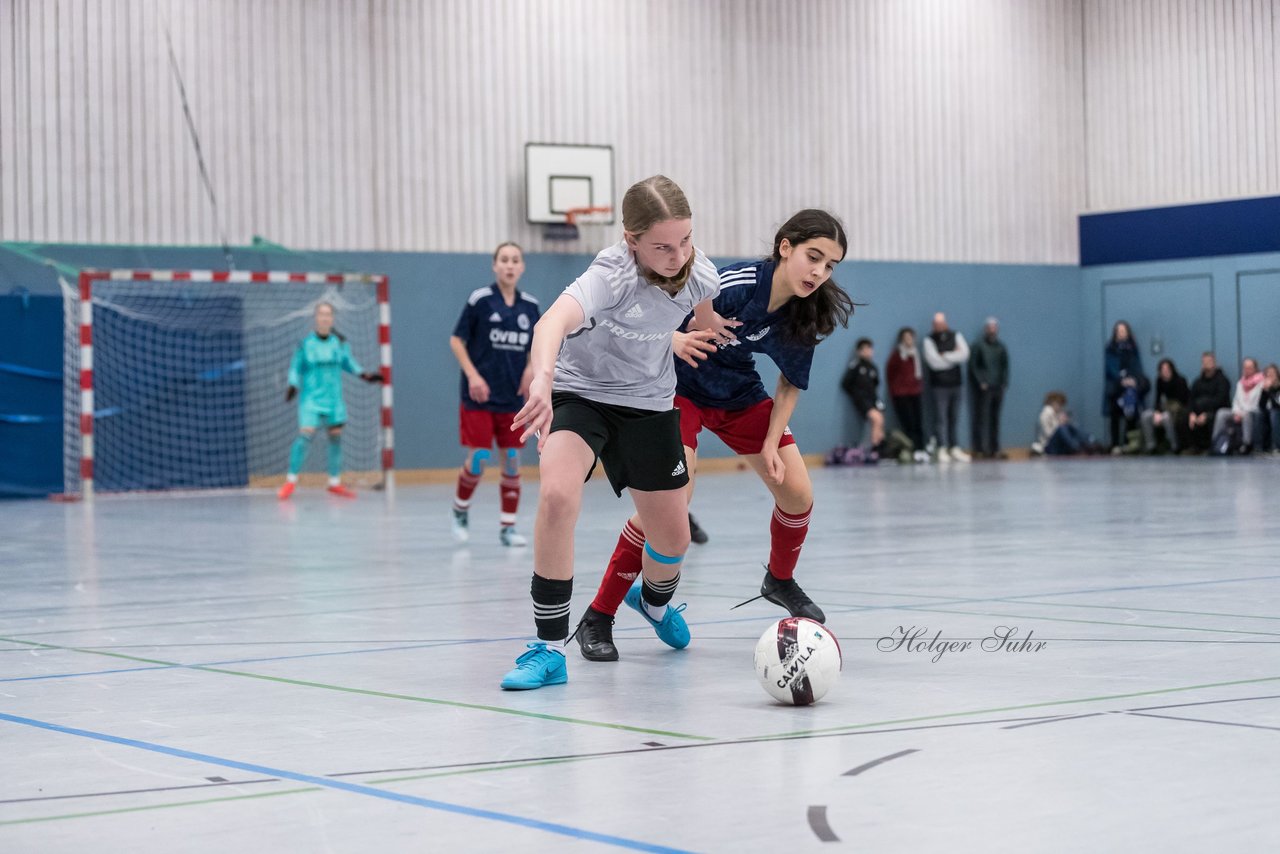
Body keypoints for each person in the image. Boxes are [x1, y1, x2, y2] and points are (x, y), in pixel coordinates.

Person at [574, 209, 853, 663]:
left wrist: (768, 442)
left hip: (737, 392)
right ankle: (599, 614)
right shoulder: (736, 285)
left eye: (831, 265)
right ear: (786, 247)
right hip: (676, 387)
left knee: (797, 492)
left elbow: (790, 383)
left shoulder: (806, 310)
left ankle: (779, 580)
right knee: (671, 504)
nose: (819, 272)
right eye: (813, 257)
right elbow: (653, 319)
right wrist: (674, 340)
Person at [500, 175, 735, 690]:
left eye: (686, 240)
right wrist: (541, 379)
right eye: (662, 247)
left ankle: (651, 602)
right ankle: (547, 649)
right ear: (631, 241)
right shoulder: (611, 274)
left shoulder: (701, 275)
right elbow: (551, 323)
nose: (678, 255)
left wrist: (690, 332)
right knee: (559, 498)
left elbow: (698, 309)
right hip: (580, 393)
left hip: (649, 402)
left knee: (672, 537)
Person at [448, 242, 541, 546]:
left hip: (513, 398)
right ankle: (460, 510)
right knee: (479, 459)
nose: (510, 265)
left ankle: (508, 528)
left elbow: (536, 347)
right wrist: (473, 375)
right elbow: (457, 341)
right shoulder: (480, 301)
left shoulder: (530, 306)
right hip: (479, 397)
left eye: (515, 260)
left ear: (523, 266)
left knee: (512, 460)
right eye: (504, 260)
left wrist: (530, 369)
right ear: (495, 265)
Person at [277, 302, 383, 500]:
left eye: (328, 315)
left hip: (334, 400)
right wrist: (292, 384)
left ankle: (334, 483)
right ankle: (290, 480)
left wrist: (364, 375)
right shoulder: (305, 344)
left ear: (333, 319)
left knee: (336, 437)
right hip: (310, 399)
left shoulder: (339, 343)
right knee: (305, 435)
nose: (325, 318)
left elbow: (349, 363)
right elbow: (295, 367)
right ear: (316, 318)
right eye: (321, 314)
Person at [922, 312, 970, 461]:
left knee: (954, 417)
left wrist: (945, 355)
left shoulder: (956, 335)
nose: (939, 327)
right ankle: (942, 447)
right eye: (936, 324)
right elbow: (934, 362)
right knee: (941, 418)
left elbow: (964, 355)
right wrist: (953, 356)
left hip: (956, 384)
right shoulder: (929, 340)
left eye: (941, 324)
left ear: (946, 324)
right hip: (939, 386)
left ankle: (954, 447)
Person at [1102, 320, 1149, 452]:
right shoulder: (1110, 348)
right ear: (1115, 333)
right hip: (1115, 387)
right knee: (1115, 414)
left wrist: (1133, 380)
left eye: (1123, 331)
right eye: (1119, 331)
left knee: (1131, 412)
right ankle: (1115, 444)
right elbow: (1110, 368)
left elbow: (1137, 367)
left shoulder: (1133, 349)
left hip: (1131, 386)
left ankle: (1129, 443)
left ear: (1128, 333)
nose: (1121, 333)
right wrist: (1121, 379)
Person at [886, 327, 929, 463]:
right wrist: (896, 390)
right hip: (901, 395)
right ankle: (912, 449)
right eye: (906, 338)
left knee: (918, 423)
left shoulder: (916, 354)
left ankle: (921, 449)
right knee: (908, 424)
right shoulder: (897, 355)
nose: (908, 340)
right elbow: (890, 373)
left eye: (910, 337)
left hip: (915, 392)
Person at [968, 316, 1009, 459]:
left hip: (998, 386)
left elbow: (1005, 365)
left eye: (994, 327)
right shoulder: (978, 346)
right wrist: (981, 381)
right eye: (989, 328)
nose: (992, 330)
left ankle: (994, 448)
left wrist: (1004, 382)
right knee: (982, 418)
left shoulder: (1001, 346)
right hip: (984, 387)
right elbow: (973, 366)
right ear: (986, 329)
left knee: (995, 419)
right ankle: (980, 448)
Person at [1179, 352, 1231, 454]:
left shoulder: (1222, 380)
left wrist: (1206, 414)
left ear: (1214, 363)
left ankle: (1210, 446)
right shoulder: (1197, 382)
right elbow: (1191, 399)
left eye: (1209, 361)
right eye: (1205, 362)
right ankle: (1192, 447)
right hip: (1198, 411)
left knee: (1212, 418)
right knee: (1185, 417)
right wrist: (1192, 413)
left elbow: (1221, 400)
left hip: (1216, 410)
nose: (1207, 364)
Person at [841, 337, 884, 457]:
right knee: (876, 418)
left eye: (869, 348)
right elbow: (845, 383)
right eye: (864, 349)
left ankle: (878, 447)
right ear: (859, 351)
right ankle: (874, 450)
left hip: (872, 400)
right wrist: (857, 394)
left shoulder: (873, 367)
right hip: (861, 400)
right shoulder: (856, 366)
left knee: (880, 419)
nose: (868, 351)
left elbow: (876, 384)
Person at [1211, 357, 1264, 454]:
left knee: (1247, 416)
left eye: (1250, 368)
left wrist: (1242, 413)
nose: (1247, 370)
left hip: (1252, 411)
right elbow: (1236, 401)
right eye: (1245, 368)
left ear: (1255, 369)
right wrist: (1236, 412)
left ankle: (1246, 444)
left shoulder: (1261, 383)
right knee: (1221, 413)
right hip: (1238, 411)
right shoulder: (1240, 383)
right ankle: (1215, 441)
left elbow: (1257, 403)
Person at [1139, 358, 1189, 453]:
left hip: (1177, 411)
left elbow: (1182, 402)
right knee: (1145, 415)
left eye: (1167, 370)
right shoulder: (1159, 381)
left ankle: (1174, 446)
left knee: (1166, 417)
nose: (1165, 372)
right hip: (1163, 409)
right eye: (1162, 370)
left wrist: (1163, 412)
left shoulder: (1180, 380)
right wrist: (1157, 412)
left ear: (1172, 370)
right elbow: (1157, 399)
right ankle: (1151, 446)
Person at [1032, 391, 1096, 456]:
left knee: (1070, 426)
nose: (1061, 407)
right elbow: (1049, 435)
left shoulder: (1055, 414)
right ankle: (1077, 447)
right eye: (1060, 404)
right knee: (1062, 428)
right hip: (1048, 446)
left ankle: (1090, 441)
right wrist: (1060, 424)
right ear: (1053, 403)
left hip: (1058, 445)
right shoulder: (1045, 414)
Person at [1258, 363, 1280, 454]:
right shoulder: (1267, 387)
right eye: (1268, 374)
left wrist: (1271, 391)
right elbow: (1261, 405)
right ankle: (1262, 447)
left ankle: (1277, 446)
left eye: (1272, 373)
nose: (1270, 376)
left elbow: (1277, 404)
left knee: (1273, 414)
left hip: (1277, 411)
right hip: (1273, 411)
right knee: (1260, 414)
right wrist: (1265, 391)